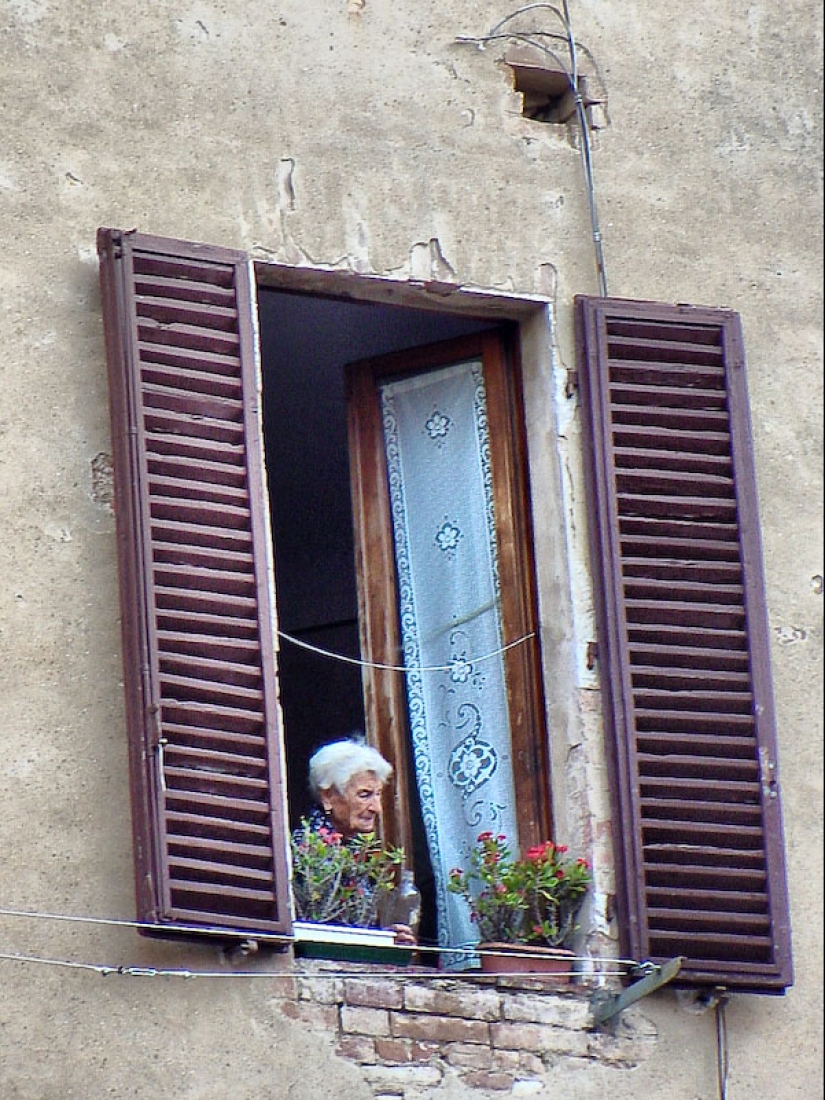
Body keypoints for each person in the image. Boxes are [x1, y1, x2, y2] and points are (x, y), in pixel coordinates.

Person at [297, 738, 417, 946]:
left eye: (378, 795)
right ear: (328, 797)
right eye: (365, 795)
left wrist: (387, 938)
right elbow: (321, 930)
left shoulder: (351, 850)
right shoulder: (308, 851)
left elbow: (351, 928)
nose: (376, 808)